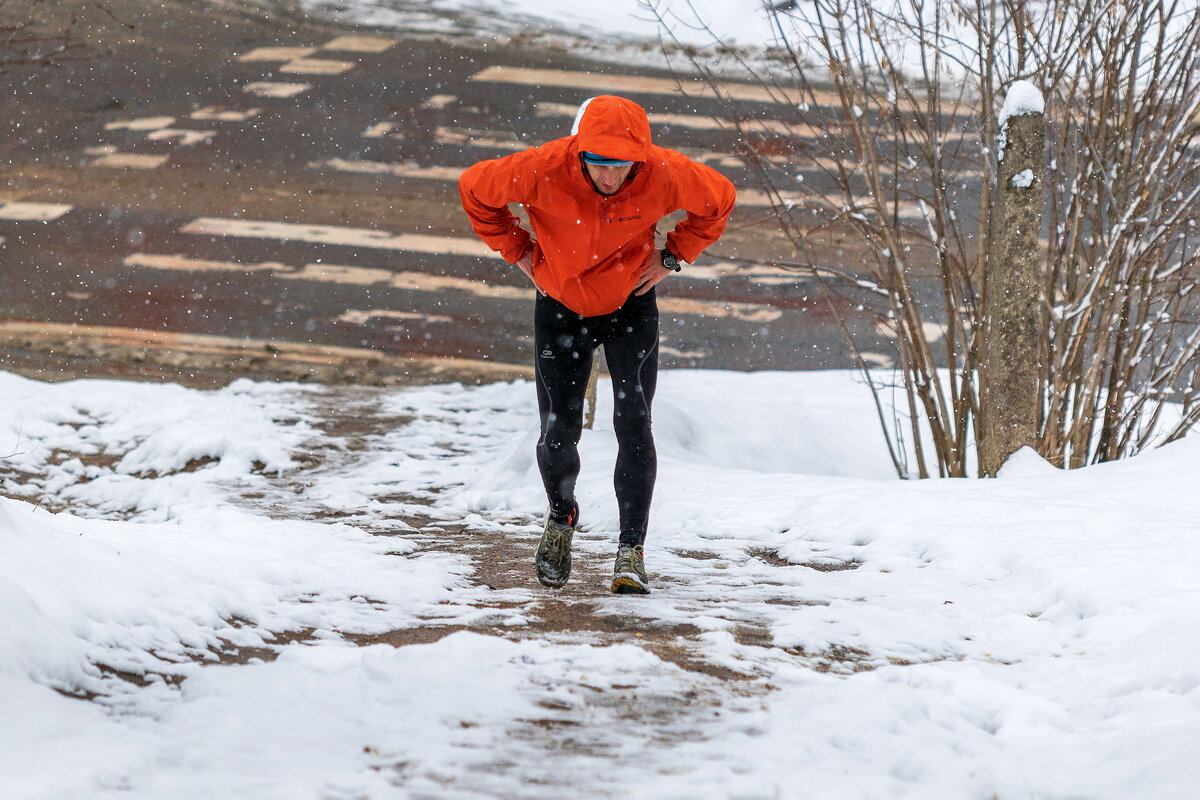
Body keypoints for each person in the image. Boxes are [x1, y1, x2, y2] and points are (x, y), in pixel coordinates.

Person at [458, 94, 736, 594]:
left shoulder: (665, 173)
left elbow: (720, 199)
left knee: (633, 423)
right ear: (580, 151)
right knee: (558, 428)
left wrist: (676, 254)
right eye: (598, 164)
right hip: (560, 304)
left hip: (630, 305)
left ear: (640, 159)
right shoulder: (542, 168)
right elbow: (475, 189)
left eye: (622, 166)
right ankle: (560, 520)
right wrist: (517, 248)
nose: (610, 176)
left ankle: (631, 550)